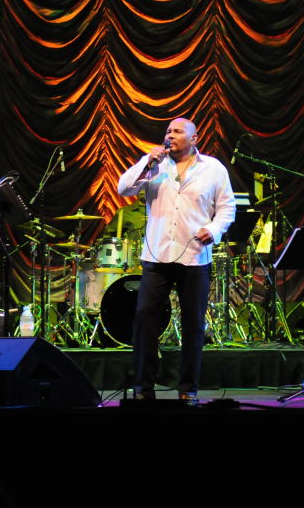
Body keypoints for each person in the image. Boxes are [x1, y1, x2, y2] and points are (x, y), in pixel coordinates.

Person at [117, 118, 235, 401]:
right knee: (145, 320)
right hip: (157, 255)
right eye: (168, 131)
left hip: (194, 256)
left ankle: (187, 389)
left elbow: (227, 207)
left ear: (194, 139)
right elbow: (124, 189)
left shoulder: (213, 168)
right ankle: (143, 388)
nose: (170, 135)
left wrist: (214, 230)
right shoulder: (154, 165)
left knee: (193, 325)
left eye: (178, 131)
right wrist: (147, 163)